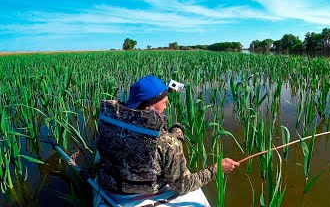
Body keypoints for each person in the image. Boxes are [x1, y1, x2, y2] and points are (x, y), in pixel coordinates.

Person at [96, 75, 240, 197]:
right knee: (173, 141)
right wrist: (217, 168)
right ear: (149, 108)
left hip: (109, 185)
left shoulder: (108, 120)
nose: (166, 106)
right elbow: (183, 186)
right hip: (143, 192)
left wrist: (174, 134)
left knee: (175, 133)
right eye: (164, 102)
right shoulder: (168, 143)